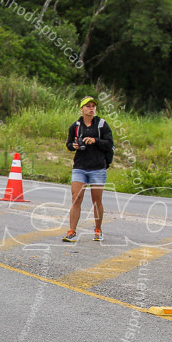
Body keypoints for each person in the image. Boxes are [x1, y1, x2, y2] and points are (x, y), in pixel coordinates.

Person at [62, 96, 113, 242]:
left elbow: (109, 143)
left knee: (96, 200)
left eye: (93, 106)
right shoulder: (75, 126)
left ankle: (98, 230)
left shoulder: (102, 124)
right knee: (76, 198)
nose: (91, 108)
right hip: (80, 167)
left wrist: (95, 141)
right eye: (88, 106)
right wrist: (74, 146)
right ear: (82, 109)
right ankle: (71, 231)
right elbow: (69, 144)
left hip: (97, 167)